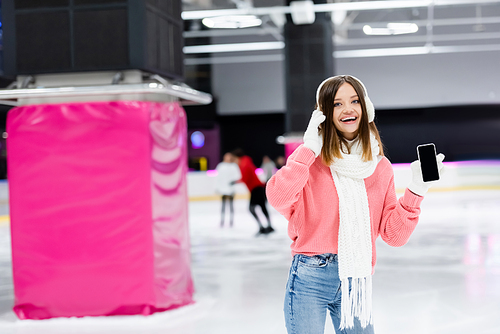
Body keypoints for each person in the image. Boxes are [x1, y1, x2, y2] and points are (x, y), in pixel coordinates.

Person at [266, 75, 445, 334]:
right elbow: (279, 197)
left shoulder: (379, 167)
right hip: (310, 276)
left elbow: (393, 236)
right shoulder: (310, 160)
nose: (348, 109)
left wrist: (416, 191)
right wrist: (308, 150)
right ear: (324, 113)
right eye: (337, 104)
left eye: (354, 101)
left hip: (357, 280)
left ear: (365, 107)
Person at [232, 149, 275, 236]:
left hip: (256, 188)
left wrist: (236, 181)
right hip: (257, 188)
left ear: (237, 157)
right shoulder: (245, 161)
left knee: (252, 208)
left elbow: (245, 176)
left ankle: (263, 227)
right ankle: (268, 226)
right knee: (262, 207)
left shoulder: (243, 163)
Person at [215, 153, 241, 228]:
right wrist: (217, 188)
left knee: (231, 206)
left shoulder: (234, 166)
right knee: (223, 206)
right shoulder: (221, 166)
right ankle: (222, 220)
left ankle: (231, 221)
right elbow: (218, 178)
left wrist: (233, 182)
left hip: (231, 189)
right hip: (223, 189)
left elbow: (238, 176)